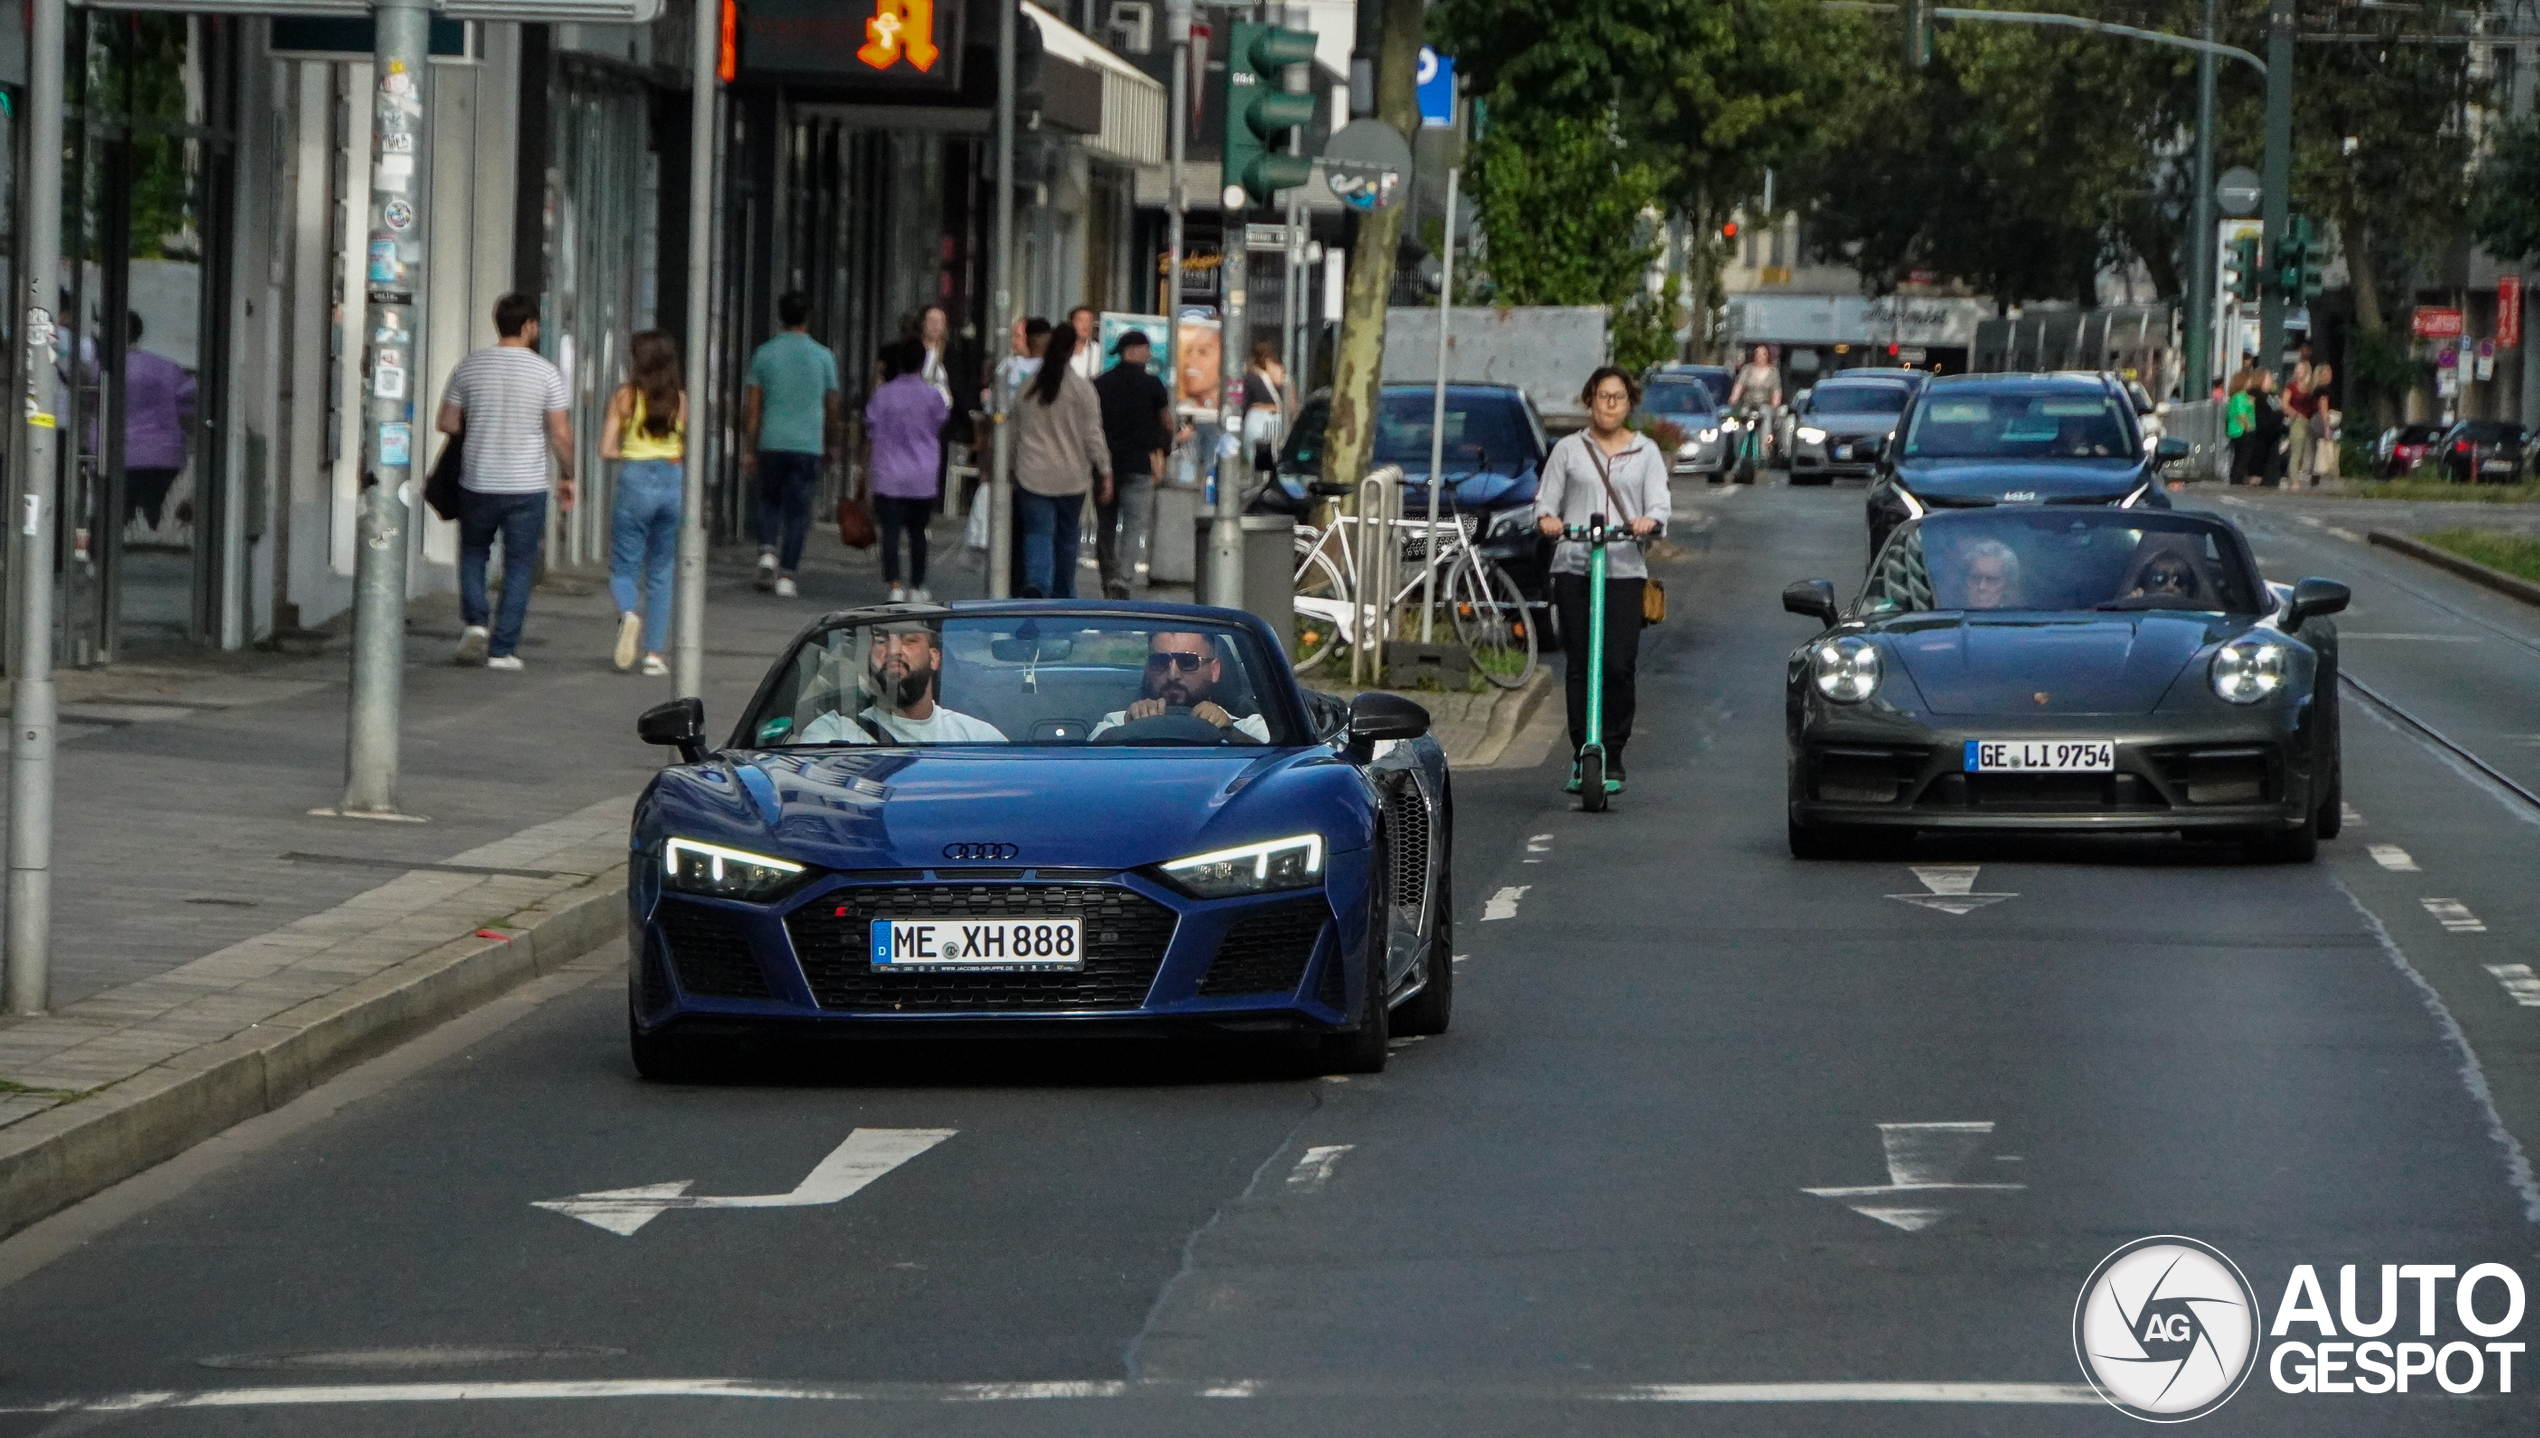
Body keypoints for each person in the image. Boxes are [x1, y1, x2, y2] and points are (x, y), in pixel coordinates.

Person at [1534, 366, 1668, 796]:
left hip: (1623, 568)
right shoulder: (1569, 451)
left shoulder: (1645, 452)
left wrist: (1650, 521)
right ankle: (1582, 751)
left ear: (1630, 404)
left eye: (1618, 398)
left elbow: (1660, 505)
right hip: (1575, 564)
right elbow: (1545, 502)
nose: (1610, 404)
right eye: (1602, 396)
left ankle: (1613, 749)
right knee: (1580, 664)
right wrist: (1549, 520)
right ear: (1589, 400)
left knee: (1617, 664)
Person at [437, 291, 574, 671]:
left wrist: (482, 421)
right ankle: (502, 650)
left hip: (477, 479)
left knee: (474, 553)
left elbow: (446, 422)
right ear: (530, 326)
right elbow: (561, 434)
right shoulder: (546, 372)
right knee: (518, 566)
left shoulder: (470, 367)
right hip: (525, 485)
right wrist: (569, 476)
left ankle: (476, 622)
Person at [743, 290, 841, 598]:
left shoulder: (764, 354)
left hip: (772, 440)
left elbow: (754, 407)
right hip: (807, 444)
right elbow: (833, 405)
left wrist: (750, 447)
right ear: (807, 317)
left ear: (780, 317)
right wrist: (831, 442)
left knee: (769, 501)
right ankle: (787, 576)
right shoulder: (824, 357)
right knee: (798, 512)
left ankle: (767, 552)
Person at [599, 330, 686, 677]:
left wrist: (631, 453)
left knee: (624, 565)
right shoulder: (681, 399)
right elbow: (682, 449)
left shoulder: (625, 397)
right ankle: (654, 655)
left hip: (635, 481)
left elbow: (606, 449)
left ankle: (628, 611)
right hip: (671, 481)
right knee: (662, 570)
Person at [1010, 321, 1111, 597]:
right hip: (1071, 478)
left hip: (1032, 473)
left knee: (1037, 533)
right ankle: (1063, 594)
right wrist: (1105, 470)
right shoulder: (1082, 389)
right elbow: (1093, 435)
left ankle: (1037, 584)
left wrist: (1009, 467)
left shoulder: (1028, 388)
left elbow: (1013, 432)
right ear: (1072, 351)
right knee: (1067, 539)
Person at [798, 620, 1006, 743]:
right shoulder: (833, 733)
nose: (894, 651)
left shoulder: (976, 738)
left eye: (910, 640)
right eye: (881, 641)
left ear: (934, 658)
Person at [865, 338, 949, 602]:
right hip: (921, 475)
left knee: (889, 532)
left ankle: (894, 584)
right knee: (918, 532)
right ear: (923, 364)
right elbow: (941, 421)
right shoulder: (932, 395)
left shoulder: (883, 394)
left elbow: (870, 426)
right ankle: (917, 585)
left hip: (888, 474)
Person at [1092, 329, 1172, 598]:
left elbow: (1092, 424)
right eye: (1146, 348)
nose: (1149, 354)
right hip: (1139, 465)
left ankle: (1109, 577)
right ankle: (1124, 580)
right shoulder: (1153, 385)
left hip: (1105, 467)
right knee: (1134, 526)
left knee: (1106, 526)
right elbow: (1166, 422)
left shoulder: (1101, 383)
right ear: (1133, 351)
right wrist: (1164, 449)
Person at [1088, 631, 1269, 743]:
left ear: (1214, 670)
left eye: (1188, 661)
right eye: (1160, 661)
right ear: (1148, 668)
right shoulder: (1117, 722)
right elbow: (1087, 762)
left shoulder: (1248, 727)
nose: (1173, 674)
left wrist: (1230, 732)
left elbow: (1274, 764)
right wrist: (1130, 729)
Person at [120, 312, 195, 531]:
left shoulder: (105, 369)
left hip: (122, 454)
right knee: (158, 514)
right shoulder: (166, 368)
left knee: (120, 516)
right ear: (139, 334)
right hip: (164, 454)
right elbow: (189, 407)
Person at [1242, 339, 1287, 469]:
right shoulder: (1282, 372)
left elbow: (1245, 400)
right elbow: (1291, 401)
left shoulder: (1251, 374)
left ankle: (1256, 480)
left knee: (1253, 454)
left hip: (1256, 415)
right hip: (1278, 416)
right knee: (1275, 453)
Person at [1954, 538, 2023, 610]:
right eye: (1976, 578)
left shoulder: (2020, 618)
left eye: (1992, 580)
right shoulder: (1949, 615)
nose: (1982, 587)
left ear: (2007, 585)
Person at [2251, 371, 2288, 487]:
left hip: (2274, 435)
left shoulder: (2273, 396)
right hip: (2261, 437)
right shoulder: (2257, 397)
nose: (2271, 380)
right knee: (2260, 466)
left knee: (2272, 466)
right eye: (2268, 378)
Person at [2224, 371, 2258, 484]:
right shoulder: (2240, 396)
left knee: (2239, 457)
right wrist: (2249, 427)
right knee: (2243, 457)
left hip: (2237, 431)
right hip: (2241, 431)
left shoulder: (2239, 396)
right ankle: (2237, 479)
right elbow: (2241, 414)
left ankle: (2236, 478)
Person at [1065, 306, 1101, 380]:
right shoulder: (1062, 350)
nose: (1085, 324)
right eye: (1080, 320)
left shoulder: (1099, 352)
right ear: (1071, 324)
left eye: (1089, 321)